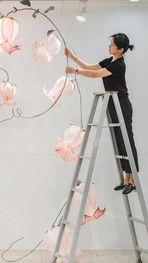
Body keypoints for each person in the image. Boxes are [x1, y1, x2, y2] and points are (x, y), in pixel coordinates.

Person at [65, 33, 138, 195]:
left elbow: (94, 75)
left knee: (127, 140)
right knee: (119, 140)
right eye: (110, 44)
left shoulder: (118, 64)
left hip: (122, 105)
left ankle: (132, 181)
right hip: (112, 104)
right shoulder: (109, 61)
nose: (109, 46)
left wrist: (75, 71)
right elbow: (91, 67)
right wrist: (72, 57)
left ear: (120, 49)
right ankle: (125, 181)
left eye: (112, 45)